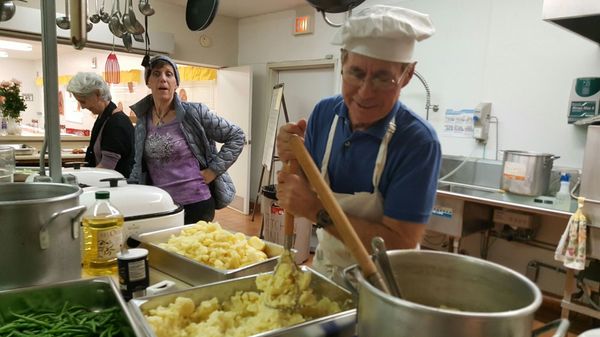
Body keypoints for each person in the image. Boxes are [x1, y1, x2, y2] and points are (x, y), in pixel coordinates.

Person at [275, 5, 442, 283]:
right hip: (327, 269)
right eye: (356, 73)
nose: (365, 92)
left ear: (407, 76)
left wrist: (316, 211)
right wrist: (291, 157)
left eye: (382, 78)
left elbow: (398, 243)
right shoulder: (324, 115)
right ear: (342, 64)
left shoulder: (417, 142)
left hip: (384, 284)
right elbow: (306, 185)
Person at [128, 55, 245, 224]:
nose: (163, 78)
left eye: (169, 74)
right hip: (161, 205)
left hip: (196, 204)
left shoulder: (194, 113)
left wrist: (212, 171)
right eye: (156, 73)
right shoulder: (142, 120)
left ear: (176, 83)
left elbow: (237, 136)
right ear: (148, 81)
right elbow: (138, 163)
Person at [66, 72, 135, 178]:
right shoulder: (103, 117)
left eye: (83, 101)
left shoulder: (116, 123)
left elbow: (107, 167)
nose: (83, 107)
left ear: (97, 94)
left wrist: (79, 179)